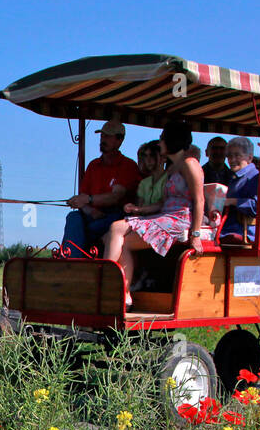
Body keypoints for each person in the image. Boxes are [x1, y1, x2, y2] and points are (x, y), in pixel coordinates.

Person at [104, 120, 203, 307]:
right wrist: (138, 210)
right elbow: (163, 202)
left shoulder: (190, 164)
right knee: (119, 236)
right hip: (165, 215)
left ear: (172, 141)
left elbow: (199, 200)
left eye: (162, 139)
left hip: (179, 219)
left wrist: (196, 235)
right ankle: (123, 293)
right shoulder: (172, 168)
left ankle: (105, 283)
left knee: (116, 228)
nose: (159, 143)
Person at [60, 119, 144, 257]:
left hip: (116, 214)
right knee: (73, 217)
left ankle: (84, 261)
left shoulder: (128, 166)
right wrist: (90, 210)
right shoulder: (93, 165)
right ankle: (70, 263)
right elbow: (82, 200)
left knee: (95, 226)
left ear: (119, 140)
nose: (103, 139)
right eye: (102, 135)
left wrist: (89, 200)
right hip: (93, 213)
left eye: (108, 136)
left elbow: (116, 197)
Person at [216, 137, 260, 242]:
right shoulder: (235, 178)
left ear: (250, 158)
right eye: (229, 156)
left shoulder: (254, 177)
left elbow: (259, 206)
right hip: (228, 230)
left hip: (244, 233)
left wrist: (232, 201)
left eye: (237, 155)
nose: (232, 160)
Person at [125, 141, 169, 215]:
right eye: (146, 156)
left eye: (152, 155)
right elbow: (139, 205)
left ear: (164, 158)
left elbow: (162, 204)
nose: (148, 160)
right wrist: (131, 208)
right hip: (144, 219)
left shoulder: (169, 179)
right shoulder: (144, 183)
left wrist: (139, 209)